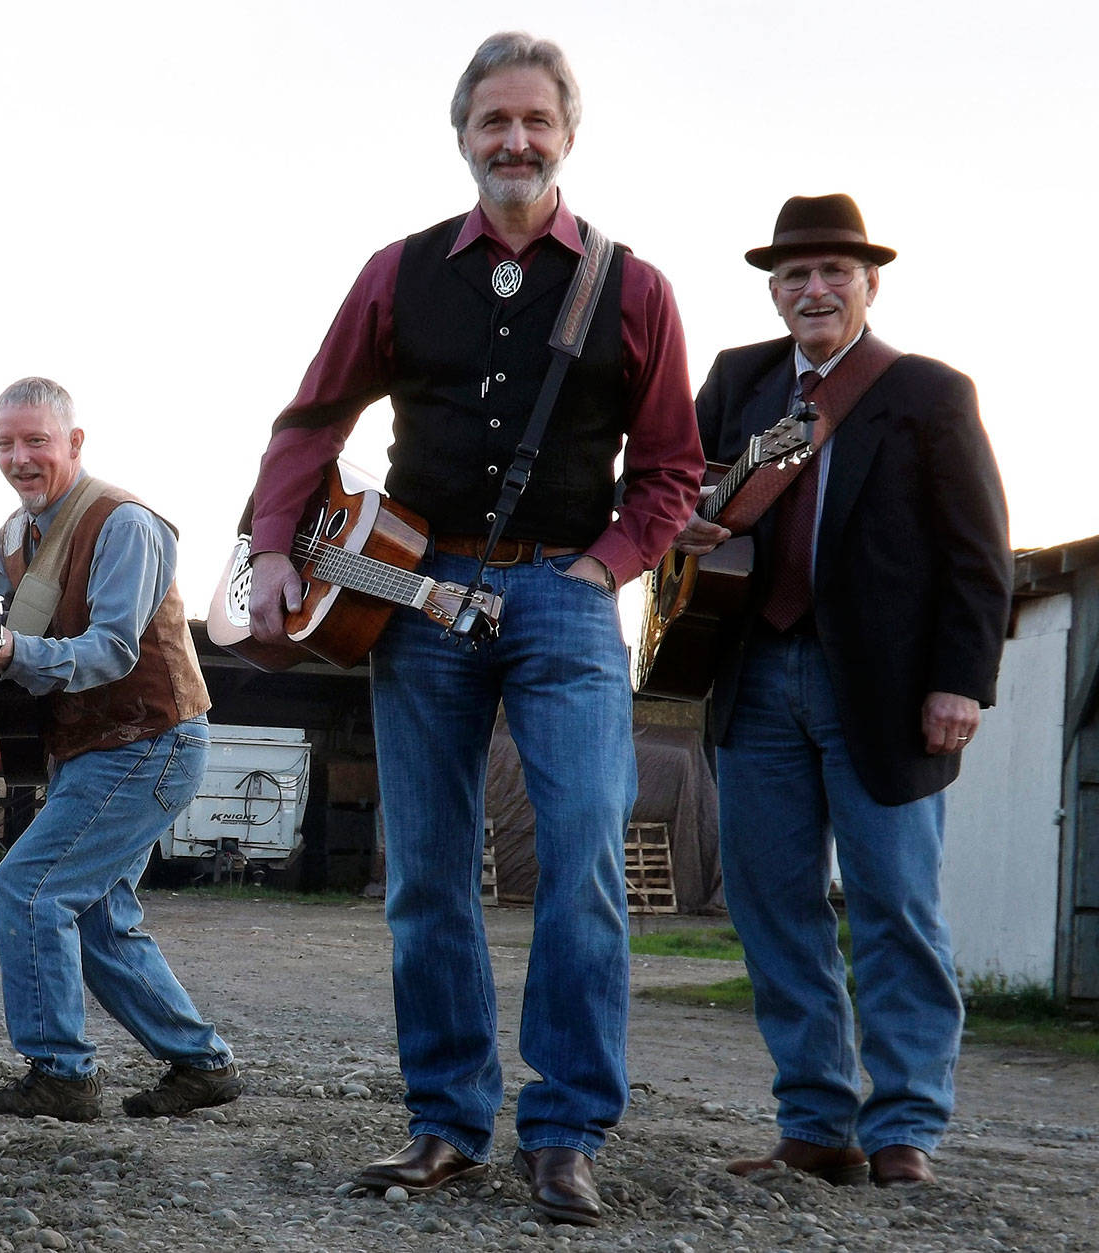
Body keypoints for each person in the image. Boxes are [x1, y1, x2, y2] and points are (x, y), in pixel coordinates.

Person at [246, 32, 702, 1225]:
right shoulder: (396, 273)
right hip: (413, 591)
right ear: (461, 136)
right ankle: (444, 1122)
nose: (513, 141)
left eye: (534, 122)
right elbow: (309, 421)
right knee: (428, 875)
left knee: (587, 864)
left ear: (565, 135)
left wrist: (602, 566)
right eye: (491, 121)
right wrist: (266, 553)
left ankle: (562, 1133)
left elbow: (669, 470)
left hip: (563, 593)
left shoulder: (633, 285)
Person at [678, 194, 1013, 1188]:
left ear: (867, 283)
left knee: (892, 902)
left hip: (886, 687)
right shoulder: (736, 379)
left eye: (831, 271)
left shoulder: (925, 391)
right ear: (772, 290)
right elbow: (667, 486)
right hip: (750, 674)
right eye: (793, 275)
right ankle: (816, 1120)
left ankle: (904, 1124)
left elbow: (975, 549)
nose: (812, 289)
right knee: (772, 905)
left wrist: (961, 679)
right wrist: (681, 520)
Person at [0, 376, 241, 1123]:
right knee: (96, 913)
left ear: (74, 443)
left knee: (30, 886)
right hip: (94, 749)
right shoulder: (14, 538)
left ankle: (61, 1071)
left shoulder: (127, 524)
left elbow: (111, 649)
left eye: (35, 441)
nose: (19, 458)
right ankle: (200, 1063)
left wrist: (14, 656)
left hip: (151, 739)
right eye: (6, 444)